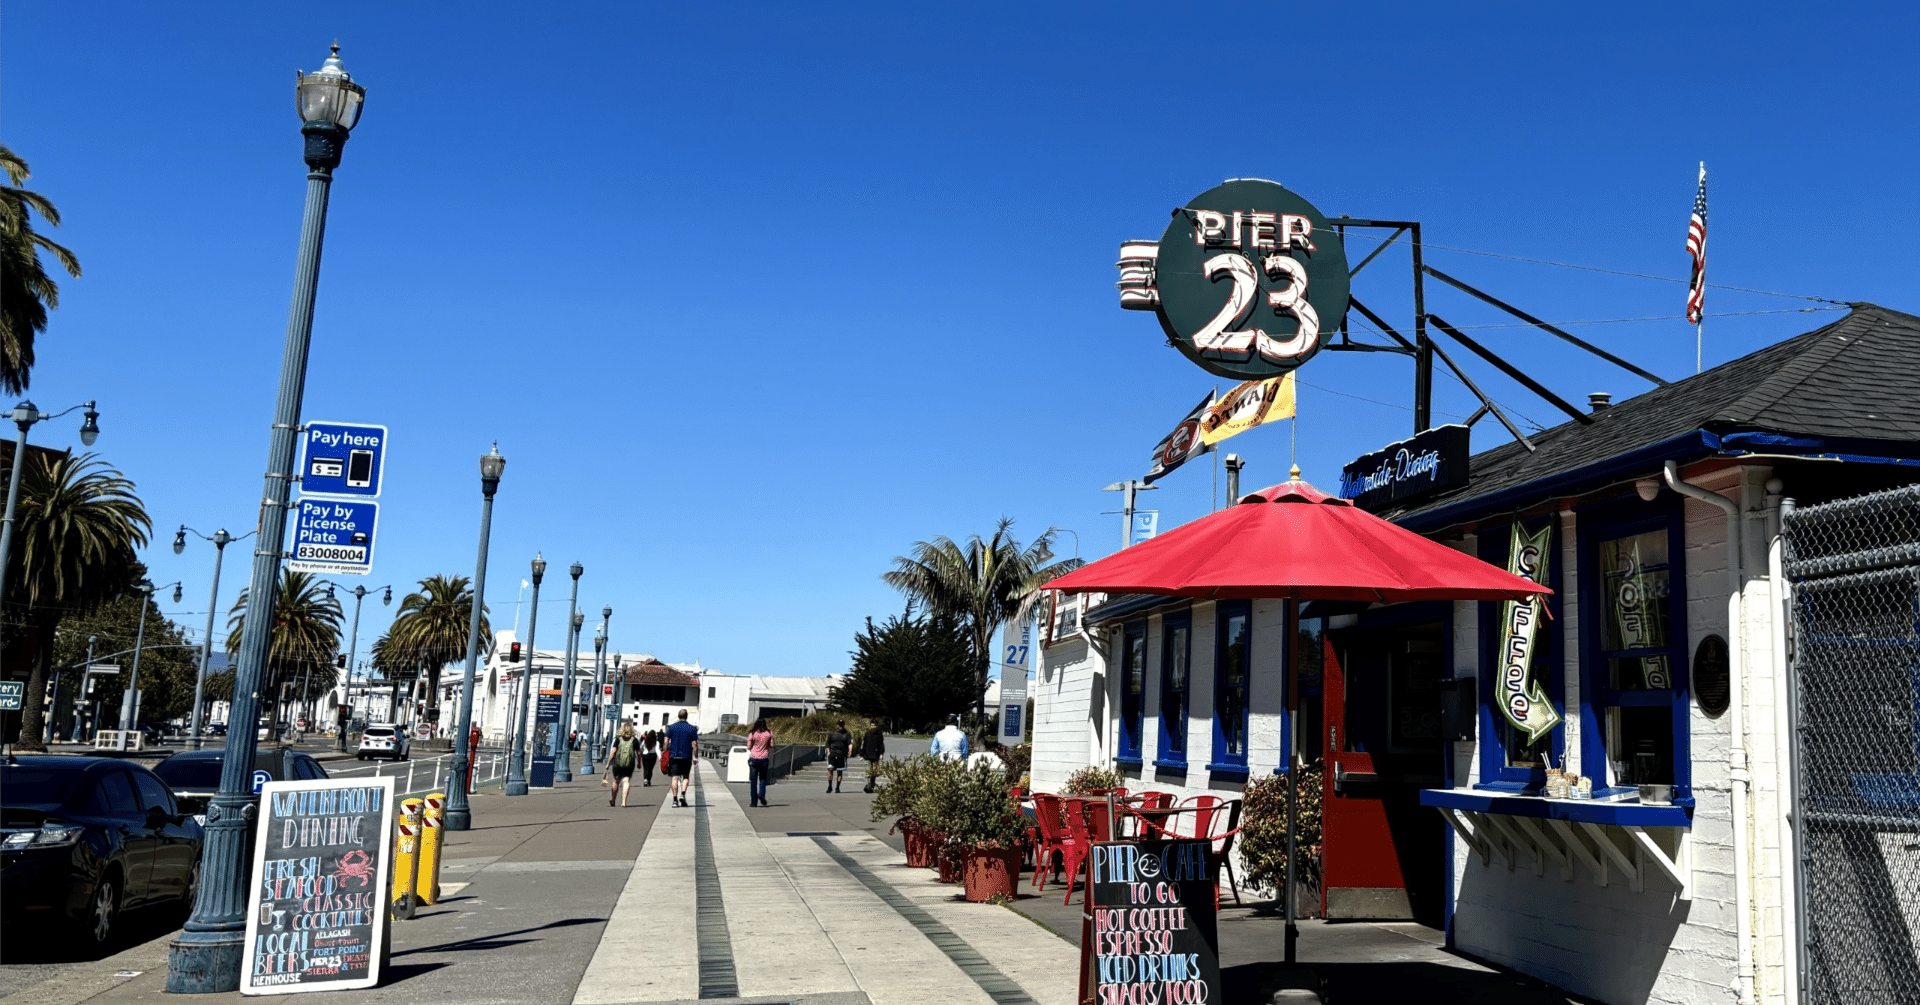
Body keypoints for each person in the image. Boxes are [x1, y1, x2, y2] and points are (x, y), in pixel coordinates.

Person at [665, 709, 699, 808]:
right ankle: (683, 794)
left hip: (674, 755)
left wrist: (665, 751)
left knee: (674, 777)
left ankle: (675, 800)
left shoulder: (671, 728)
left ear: (678, 716)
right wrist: (695, 757)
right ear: (686, 716)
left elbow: (666, 741)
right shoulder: (692, 728)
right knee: (685, 777)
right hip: (686, 756)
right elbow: (695, 744)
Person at [606, 724, 641, 807]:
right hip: (629, 763)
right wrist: (639, 763)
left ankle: (613, 800)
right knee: (626, 781)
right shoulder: (634, 740)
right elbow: (639, 753)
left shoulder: (618, 739)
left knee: (616, 781)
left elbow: (613, 751)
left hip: (618, 764)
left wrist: (608, 763)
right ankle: (624, 802)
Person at [746, 717, 774, 807]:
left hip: (754, 758)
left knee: (753, 781)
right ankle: (761, 795)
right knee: (763, 779)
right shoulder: (769, 733)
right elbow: (772, 745)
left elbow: (749, 747)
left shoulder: (752, 733)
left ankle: (753, 802)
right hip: (764, 758)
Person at [823, 720, 853, 793]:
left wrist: (850, 751)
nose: (840, 726)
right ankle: (830, 786)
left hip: (842, 755)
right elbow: (827, 744)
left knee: (840, 772)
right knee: (830, 770)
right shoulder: (832, 733)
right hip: (832, 754)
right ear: (837, 725)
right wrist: (828, 751)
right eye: (839, 725)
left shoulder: (846, 734)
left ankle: (837, 787)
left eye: (842, 725)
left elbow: (850, 743)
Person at [860, 723, 886, 792]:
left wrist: (881, 754)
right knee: (868, 772)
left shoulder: (879, 735)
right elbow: (864, 744)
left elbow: (881, 745)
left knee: (874, 773)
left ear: (877, 726)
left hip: (876, 755)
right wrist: (862, 755)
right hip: (868, 755)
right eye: (872, 725)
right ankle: (868, 786)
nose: (873, 727)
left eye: (875, 725)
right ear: (870, 726)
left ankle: (872, 785)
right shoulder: (867, 734)